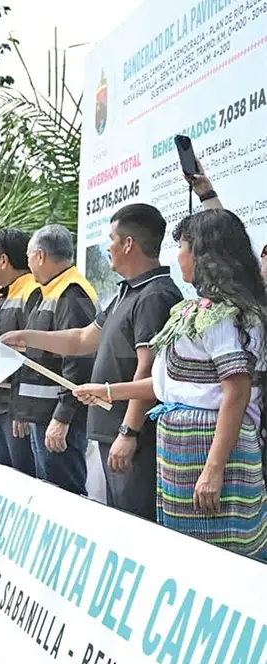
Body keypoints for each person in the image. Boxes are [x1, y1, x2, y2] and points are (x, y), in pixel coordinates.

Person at [74, 209, 267, 560]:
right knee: (185, 554)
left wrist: (213, 468)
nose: (177, 255)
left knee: (224, 556)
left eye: (182, 246)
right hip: (181, 458)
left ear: (203, 253)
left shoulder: (230, 316)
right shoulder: (193, 312)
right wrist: (107, 392)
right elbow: (166, 385)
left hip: (214, 455)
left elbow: (235, 392)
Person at [0, 204, 182, 519]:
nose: (107, 247)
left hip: (131, 436)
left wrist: (129, 432)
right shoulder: (128, 293)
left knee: (136, 523)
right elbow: (83, 339)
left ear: (128, 244)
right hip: (112, 432)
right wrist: (27, 337)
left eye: (111, 238)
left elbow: (148, 371)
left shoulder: (155, 296)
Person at [11, 224, 97, 496]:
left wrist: (62, 417)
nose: (28, 264)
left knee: (64, 495)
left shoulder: (72, 293)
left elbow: (79, 362)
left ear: (40, 256)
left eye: (28, 257)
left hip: (59, 419)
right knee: (47, 492)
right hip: (42, 415)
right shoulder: (47, 292)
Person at [0, 230, 40, 473]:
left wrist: (22, 409)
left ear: (4, 260)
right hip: (1, 408)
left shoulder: (31, 292)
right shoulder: (6, 295)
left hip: (17, 412)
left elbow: (34, 357)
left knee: (24, 478)